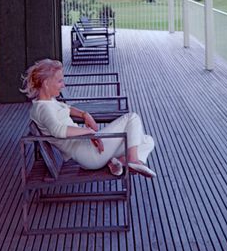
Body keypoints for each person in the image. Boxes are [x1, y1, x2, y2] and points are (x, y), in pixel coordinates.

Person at [21, 58, 156, 178]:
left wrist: (84, 115)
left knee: (147, 140)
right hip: (87, 154)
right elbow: (58, 130)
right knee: (132, 118)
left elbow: (65, 108)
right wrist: (89, 132)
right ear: (46, 83)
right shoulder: (44, 109)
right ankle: (132, 160)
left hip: (87, 147)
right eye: (59, 81)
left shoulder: (49, 101)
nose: (63, 85)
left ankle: (119, 162)